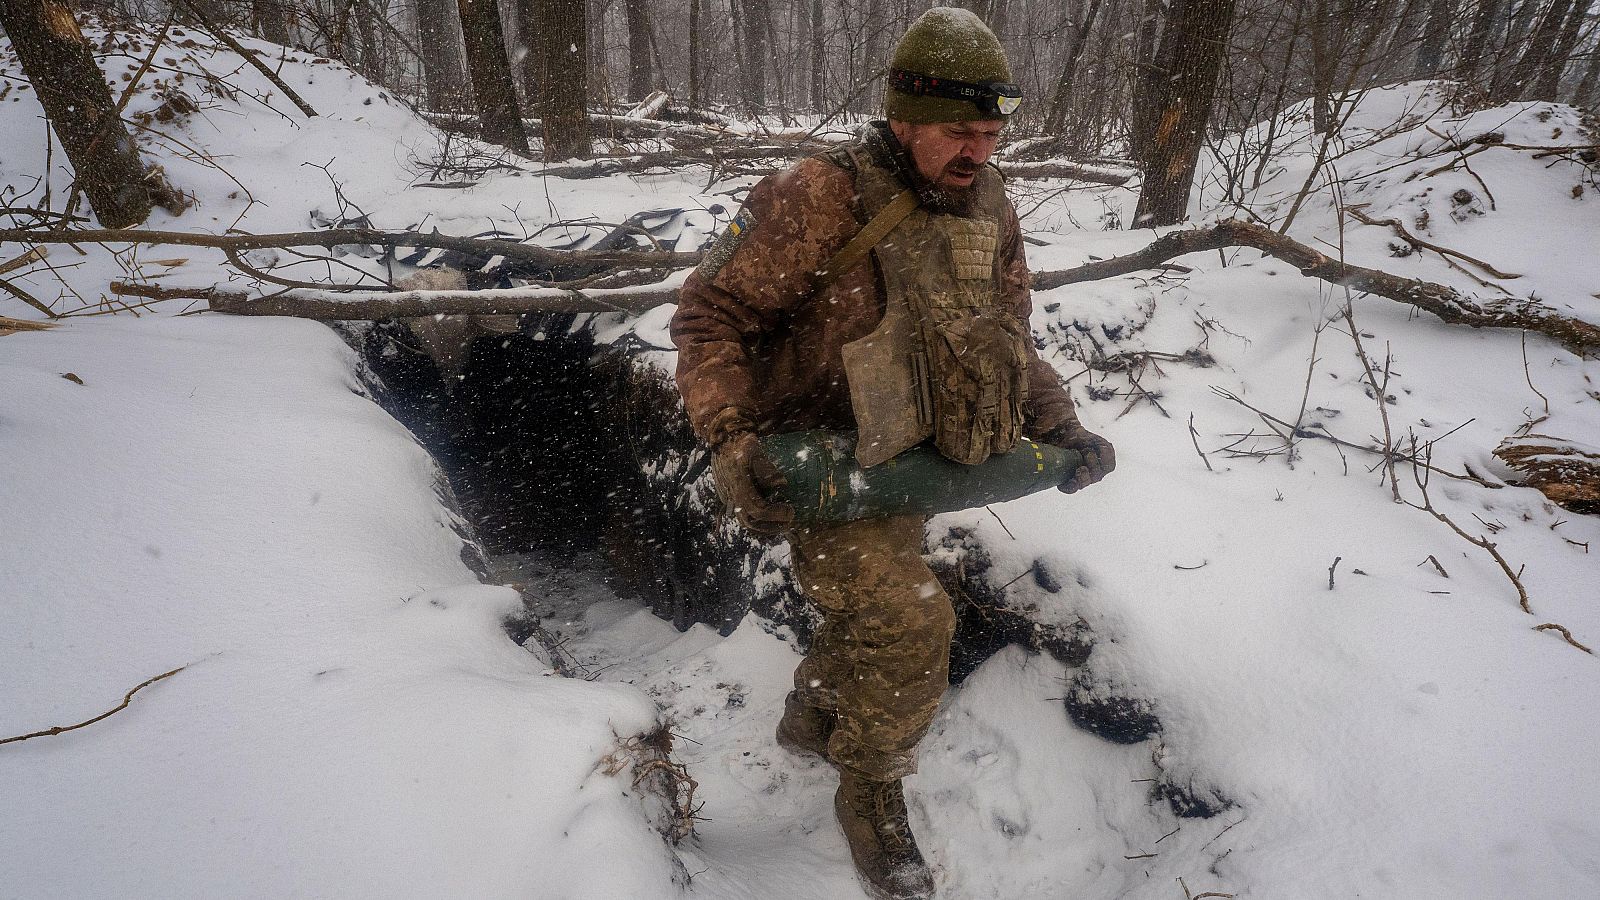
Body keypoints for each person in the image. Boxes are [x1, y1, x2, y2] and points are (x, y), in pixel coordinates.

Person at [670, 8, 1114, 898]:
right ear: (903, 116)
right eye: (958, 131)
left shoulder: (989, 202)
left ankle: (813, 715)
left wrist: (1059, 424)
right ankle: (870, 790)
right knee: (914, 620)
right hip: (823, 461)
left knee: (880, 613)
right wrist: (733, 436)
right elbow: (708, 317)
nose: (978, 151)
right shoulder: (813, 195)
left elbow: (1007, 334)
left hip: (919, 448)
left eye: (991, 134)